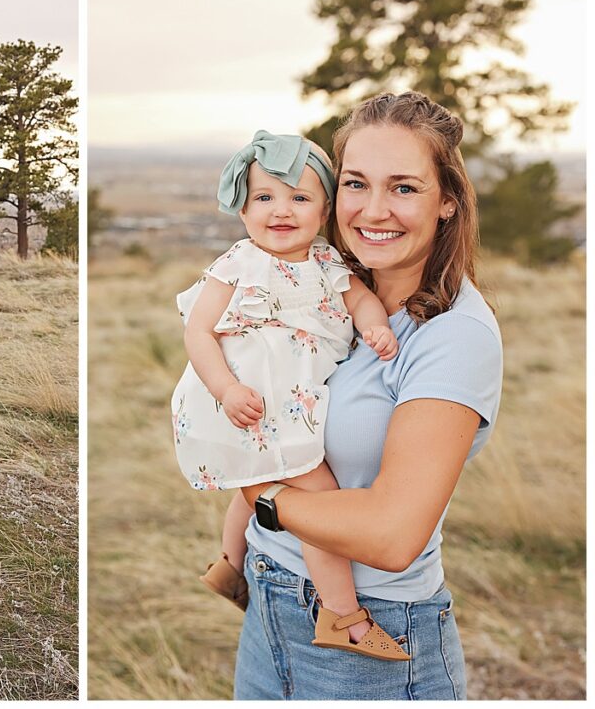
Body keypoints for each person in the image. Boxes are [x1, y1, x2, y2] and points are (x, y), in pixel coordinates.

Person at [233, 92, 503, 699]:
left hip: (372, 633)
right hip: (272, 597)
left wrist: (260, 493)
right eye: (356, 183)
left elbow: (391, 535)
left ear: (448, 200)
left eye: (404, 187)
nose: (374, 210)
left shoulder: (453, 336)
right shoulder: (330, 294)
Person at [172, 131, 407, 661]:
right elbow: (198, 331)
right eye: (264, 197)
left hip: (288, 403)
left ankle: (229, 564)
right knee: (319, 504)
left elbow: (362, 301)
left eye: (299, 197)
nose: (281, 210)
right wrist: (226, 388)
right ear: (243, 208)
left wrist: (374, 326)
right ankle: (343, 615)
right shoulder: (238, 263)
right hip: (248, 402)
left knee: (257, 480)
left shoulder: (326, 262)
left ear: (325, 210)